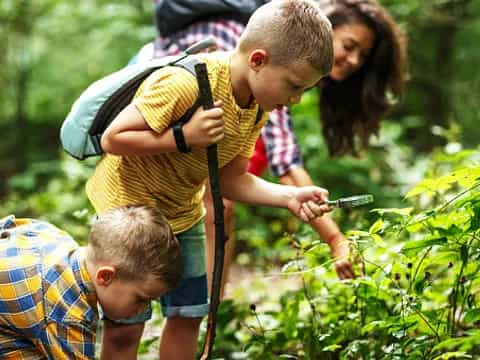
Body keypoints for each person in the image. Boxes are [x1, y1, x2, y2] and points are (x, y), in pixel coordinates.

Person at [86, 1, 334, 358]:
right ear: (258, 60)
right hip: (129, 213)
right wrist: (184, 136)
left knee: (188, 317)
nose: (294, 100)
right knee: (126, 325)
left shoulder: (255, 107)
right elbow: (114, 139)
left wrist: (289, 197)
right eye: (293, 86)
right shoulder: (185, 82)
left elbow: (233, 180)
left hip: (183, 216)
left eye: (303, 91)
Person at [145, 0, 407, 291]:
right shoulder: (267, 58)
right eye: (349, 45)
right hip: (163, 123)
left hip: (204, 133)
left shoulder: (284, 75)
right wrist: (335, 239)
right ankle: (204, 313)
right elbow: (287, 162)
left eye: (363, 55)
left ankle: (208, 313)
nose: (356, 61)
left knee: (224, 197)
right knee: (216, 204)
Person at [0, 206, 182, 359]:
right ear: (105, 277)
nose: (142, 309)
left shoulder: (56, 237)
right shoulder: (68, 315)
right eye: (141, 299)